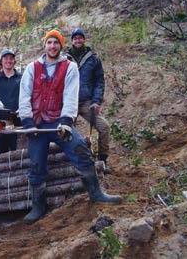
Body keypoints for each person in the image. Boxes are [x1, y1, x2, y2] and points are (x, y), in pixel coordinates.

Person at [18, 29, 122, 224]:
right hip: (38, 125)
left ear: (61, 45)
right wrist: (28, 122)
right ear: (44, 45)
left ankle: (96, 193)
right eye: (49, 42)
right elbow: (24, 96)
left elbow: (71, 95)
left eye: (56, 43)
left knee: (81, 150)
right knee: (36, 164)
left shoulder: (70, 67)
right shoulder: (32, 68)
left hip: (59, 122)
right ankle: (38, 206)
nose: (52, 46)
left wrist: (66, 121)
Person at [66, 28, 111, 165]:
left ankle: (102, 161)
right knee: (64, 131)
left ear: (84, 39)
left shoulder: (93, 58)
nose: (78, 40)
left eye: (80, 37)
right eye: (75, 38)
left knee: (104, 127)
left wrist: (96, 101)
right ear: (72, 40)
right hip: (69, 102)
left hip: (86, 102)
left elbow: (99, 81)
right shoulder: (65, 59)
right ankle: (66, 161)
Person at [0, 49, 22, 154]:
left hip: (17, 121)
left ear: (14, 61)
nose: (8, 61)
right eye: (6, 58)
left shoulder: (21, 78)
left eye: (11, 58)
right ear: (1, 62)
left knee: (17, 153)